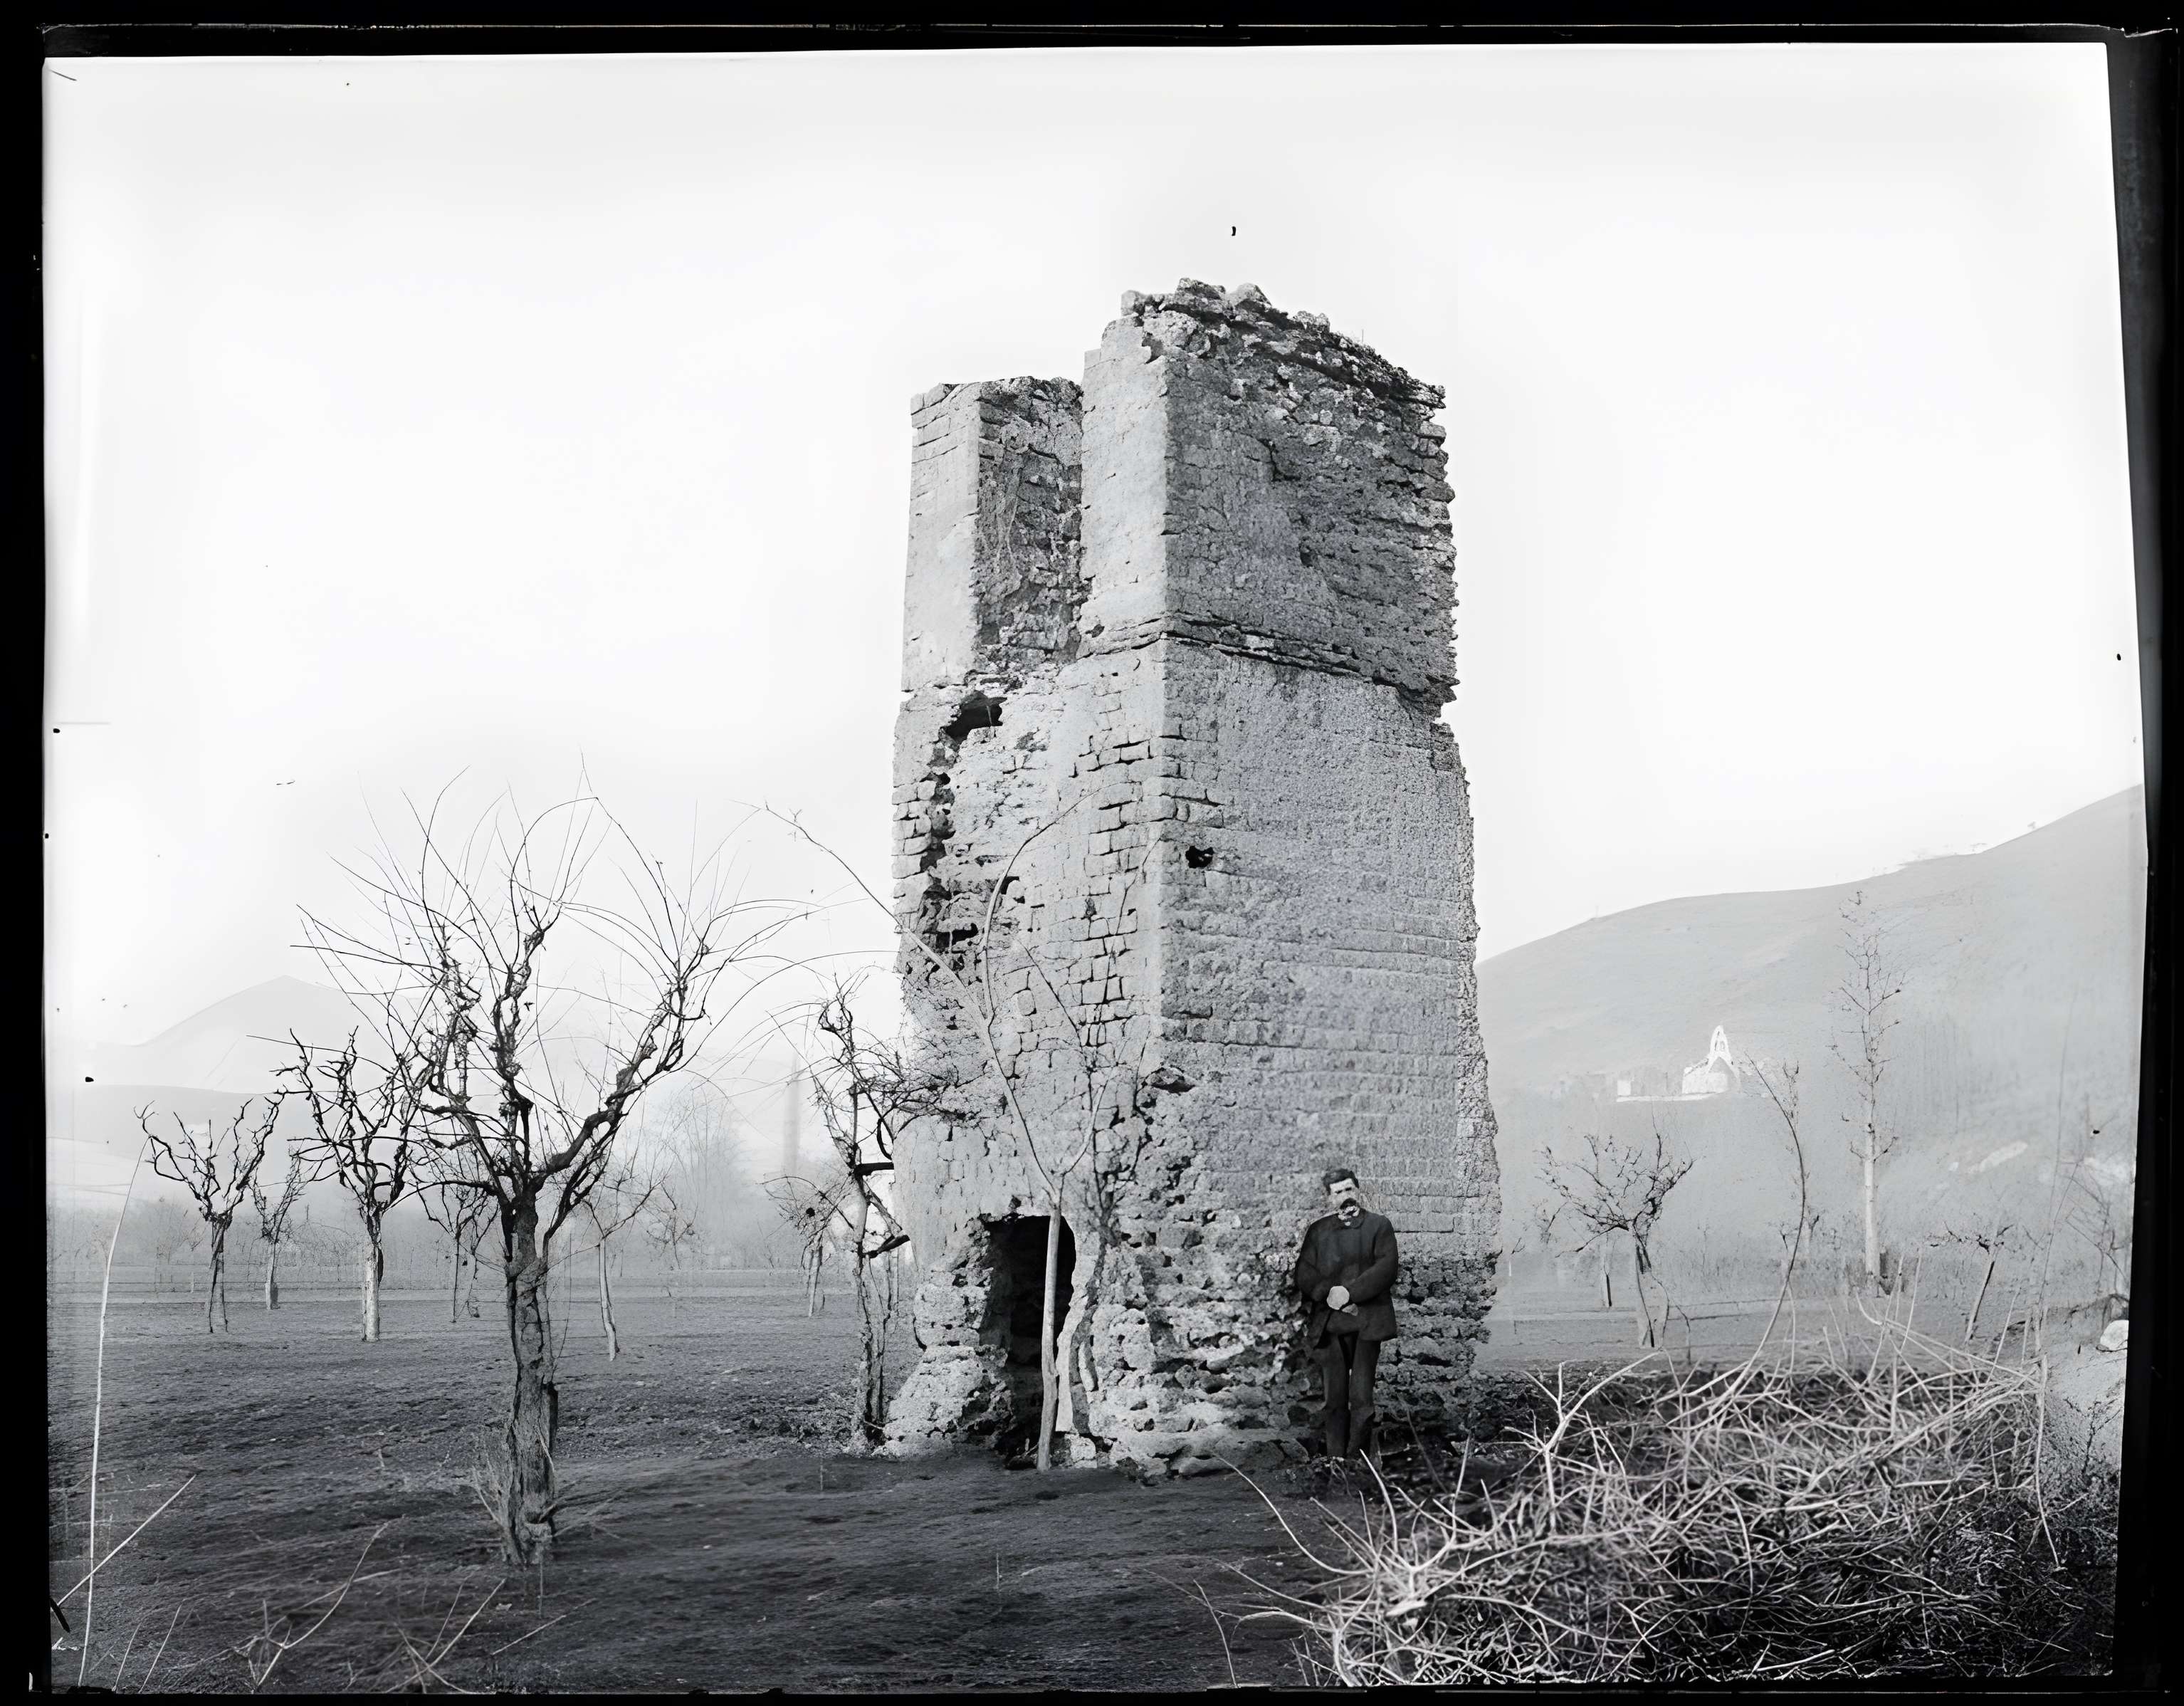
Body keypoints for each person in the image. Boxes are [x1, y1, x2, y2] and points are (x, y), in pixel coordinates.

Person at [1292, 1166, 1400, 1463]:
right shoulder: (1319, 1231)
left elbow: (1386, 1268)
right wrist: (1328, 1293)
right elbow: (1304, 1271)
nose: (1345, 1197)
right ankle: (1335, 1462)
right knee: (1334, 1400)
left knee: (1362, 1399)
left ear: (1359, 1191)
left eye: (1350, 1189)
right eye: (1338, 1192)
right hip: (1330, 1325)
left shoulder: (1379, 1226)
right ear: (1329, 1198)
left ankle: (1358, 1462)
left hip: (1367, 1323)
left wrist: (1350, 1293)